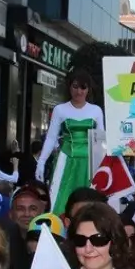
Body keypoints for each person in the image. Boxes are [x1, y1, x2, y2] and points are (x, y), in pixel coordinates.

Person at [36, 70, 108, 214]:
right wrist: (41, 162)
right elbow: (51, 137)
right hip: (66, 159)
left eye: (83, 87)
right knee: (59, 197)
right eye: (75, 86)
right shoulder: (60, 109)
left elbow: (101, 140)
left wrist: (105, 164)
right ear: (69, 87)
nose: (79, 91)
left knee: (91, 199)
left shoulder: (96, 110)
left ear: (88, 89)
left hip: (90, 162)